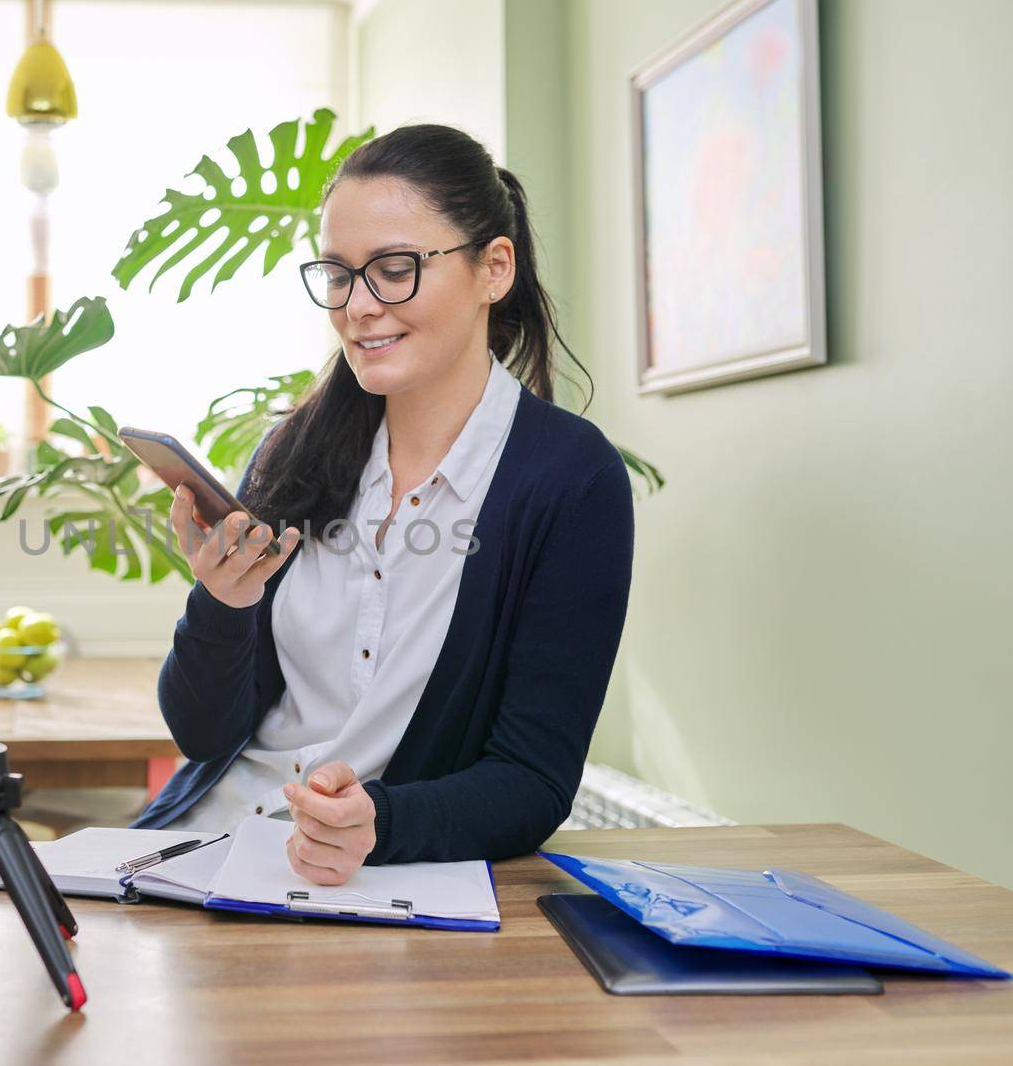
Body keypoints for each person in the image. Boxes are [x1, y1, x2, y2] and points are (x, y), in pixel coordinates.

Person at [130, 123, 635, 887]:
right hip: (200, 852)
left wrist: (380, 823)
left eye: (394, 269)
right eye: (338, 274)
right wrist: (221, 606)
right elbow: (202, 734)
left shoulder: (571, 479)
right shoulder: (295, 453)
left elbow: (533, 779)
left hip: (372, 882)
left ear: (494, 268)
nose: (357, 305)